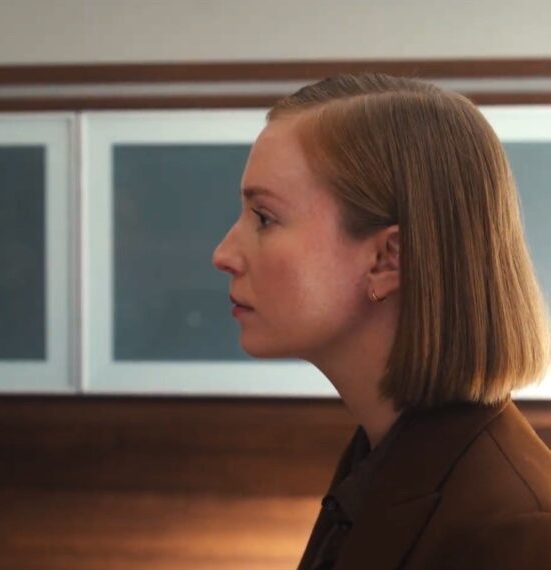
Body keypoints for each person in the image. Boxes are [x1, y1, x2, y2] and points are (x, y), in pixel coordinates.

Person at [213, 74, 551, 569]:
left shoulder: (518, 530)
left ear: (387, 259)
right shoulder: (378, 459)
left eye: (264, 217)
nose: (223, 254)